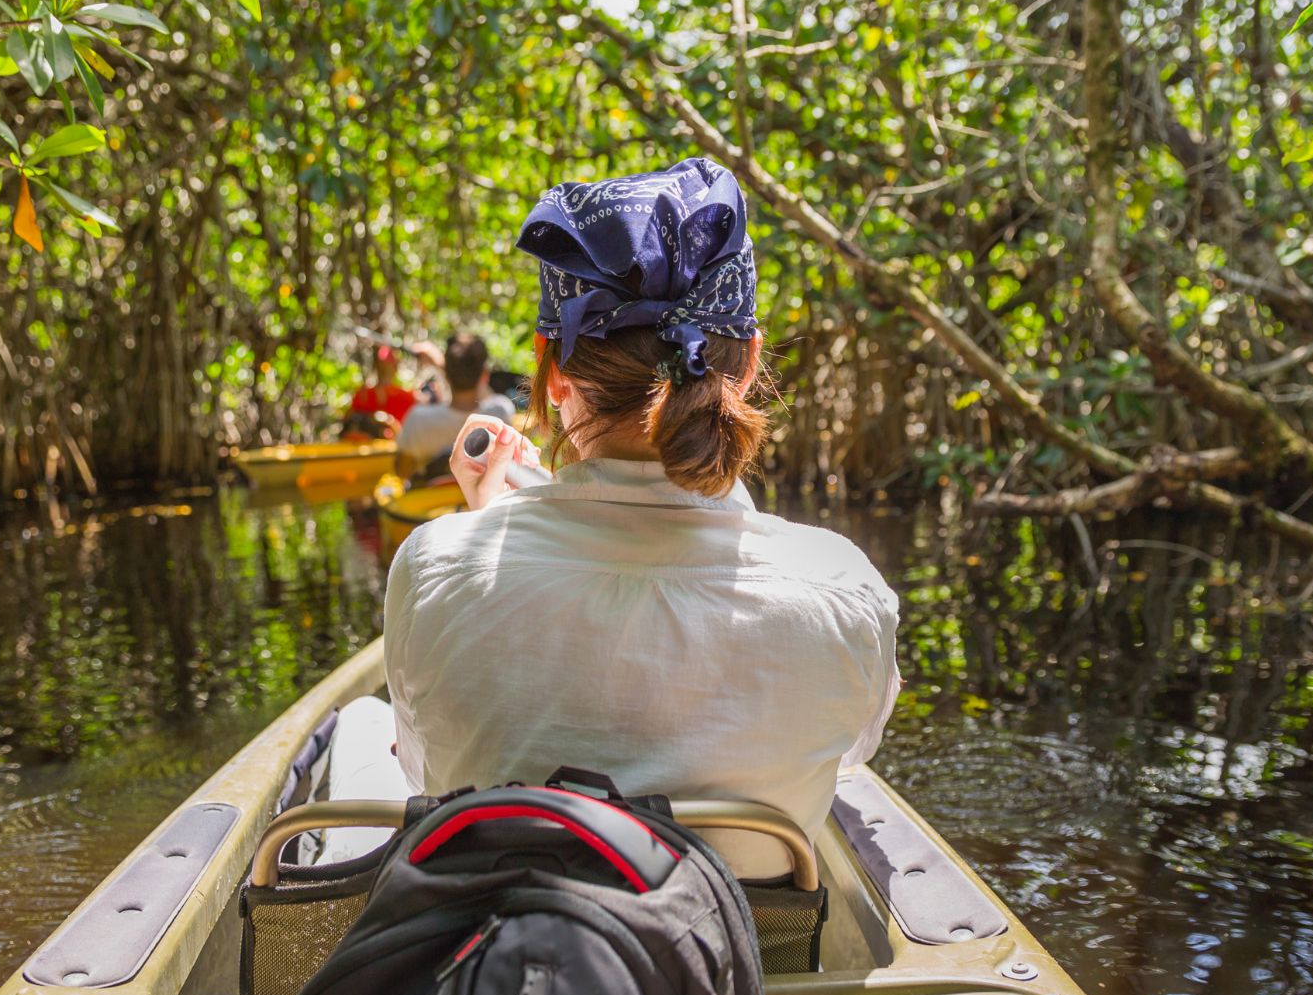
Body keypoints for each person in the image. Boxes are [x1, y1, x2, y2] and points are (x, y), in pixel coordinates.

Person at [378, 157, 900, 877]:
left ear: (551, 367)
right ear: (746, 362)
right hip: (739, 973)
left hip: (506, 963)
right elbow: (845, 756)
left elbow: (424, 770)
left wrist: (483, 526)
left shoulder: (435, 564)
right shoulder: (842, 586)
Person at [392, 330, 516, 478]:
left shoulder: (418, 419)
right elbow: (488, 394)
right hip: (480, 501)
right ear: (484, 374)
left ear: (446, 373)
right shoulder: (499, 414)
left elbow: (401, 471)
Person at [345, 345, 420, 428]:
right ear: (376, 366)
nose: (385, 368)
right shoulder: (363, 395)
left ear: (395, 366)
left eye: (389, 364)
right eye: (382, 364)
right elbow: (348, 422)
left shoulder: (407, 396)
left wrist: (389, 421)